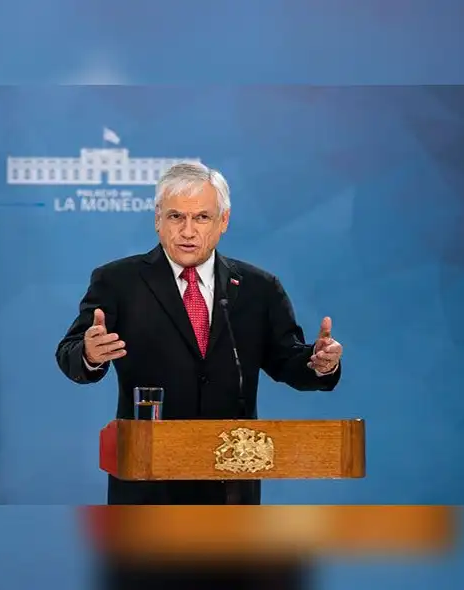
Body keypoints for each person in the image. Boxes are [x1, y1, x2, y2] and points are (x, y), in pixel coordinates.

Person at [55, 162, 344, 505]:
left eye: (202, 217)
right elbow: (70, 352)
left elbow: (288, 360)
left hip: (231, 479)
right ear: (158, 220)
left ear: (223, 221)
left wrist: (319, 363)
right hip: (148, 480)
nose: (188, 231)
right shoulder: (118, 282)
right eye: (176, 217)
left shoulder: (258, 288)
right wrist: (88, 354)